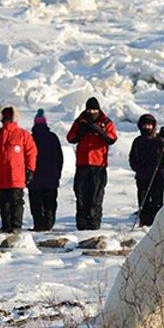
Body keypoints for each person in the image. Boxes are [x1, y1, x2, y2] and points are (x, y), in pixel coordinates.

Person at [0, 105, 38, 234]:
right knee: (2, 202)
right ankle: (6, 225)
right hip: (0, 174)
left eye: (9, 115)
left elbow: (31, 153)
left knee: (16, 201)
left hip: (16, 175)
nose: (7, 118)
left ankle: (16, 226)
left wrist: (30, 169)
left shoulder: (23, 134)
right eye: (5, 115)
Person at [66, 97, 117, 230]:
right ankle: (82, 224)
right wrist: (81, 132)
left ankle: (94, 224)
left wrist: (100, 131)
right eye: (89, 110)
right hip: (82, 164)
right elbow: (70, 138)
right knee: (81, 194)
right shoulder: (80, 121)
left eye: (94, 110)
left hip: (98, 164)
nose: (91, 112)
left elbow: (112, 138)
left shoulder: (106, 122)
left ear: (98, 110)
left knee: (96, 196)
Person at [129, 114, 164, 226]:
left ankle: (157, 223)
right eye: (145, 125)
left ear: (153, 126)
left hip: (157, 176)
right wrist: (138, 169)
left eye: (149, 125)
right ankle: (144, 222)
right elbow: (132, 158)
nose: (147, 127)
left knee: (157, 200)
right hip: (142, 176)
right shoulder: (138, 141)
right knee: (143, 201)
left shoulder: (158, 140)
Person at [29, 109, 63, 231]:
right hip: (51, 177)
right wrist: (58, 173)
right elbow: (59, 158)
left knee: (36, 203)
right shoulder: (53, 137)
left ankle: (38, 224)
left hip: (34, 178)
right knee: (50, 203)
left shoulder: (30, 138)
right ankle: (49, 224)